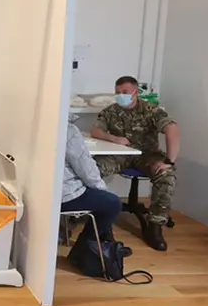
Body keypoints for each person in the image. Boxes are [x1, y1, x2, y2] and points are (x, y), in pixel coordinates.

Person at [91, 75, 180, 251]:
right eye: (117, 92)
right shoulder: (111, 111)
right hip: (120, 154)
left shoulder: (151, 110)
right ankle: (98, 222)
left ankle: (155, 226)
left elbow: (172, 128)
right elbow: (96, 130)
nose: (120, 95)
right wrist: (114, 138)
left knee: (166, 176)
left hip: (146, 155)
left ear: (135, 92)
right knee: (92, 170)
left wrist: (169, 160)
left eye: (125, 92)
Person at [62, 114, 122, 244]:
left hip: (31, 194)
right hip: (64, 196)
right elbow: (87, 171)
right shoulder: (67, 130)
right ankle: (83, 249)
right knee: (112, 203)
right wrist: (103, 190)